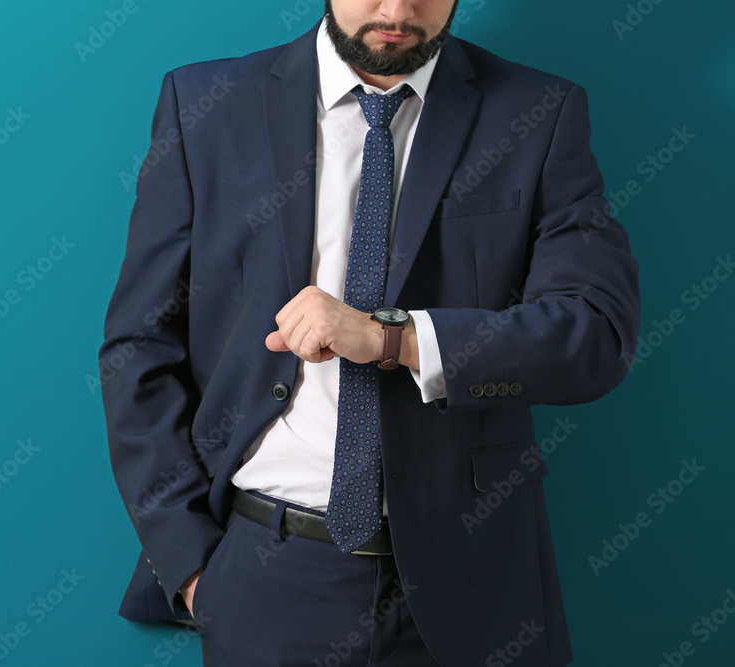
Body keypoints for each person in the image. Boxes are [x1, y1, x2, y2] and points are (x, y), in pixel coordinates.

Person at [100, 1, 640, 664]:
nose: (397, 10)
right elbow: (138, 345)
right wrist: (191, 568)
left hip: (476, 586)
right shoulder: (206, 104)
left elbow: (596, 335)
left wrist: (397, 336)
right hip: (266, 578)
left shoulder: (538, 113)